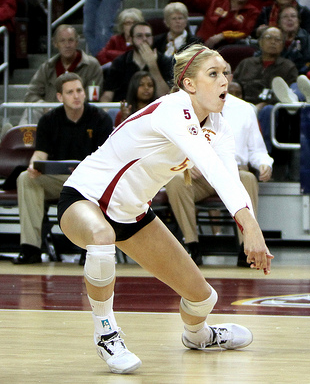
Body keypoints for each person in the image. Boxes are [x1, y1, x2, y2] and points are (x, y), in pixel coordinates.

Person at [57, 43, 273, 374]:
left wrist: (249, 227)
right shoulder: (173, 108)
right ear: (189, 83)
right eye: (212, 74)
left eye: (225, 73)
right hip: (85, 199)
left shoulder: (220, 125)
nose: (223, 81)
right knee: (101, 236)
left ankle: (198, 335)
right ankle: (106, 333)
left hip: (133, 215)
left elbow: (230, 176)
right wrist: (251, 228)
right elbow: (211, 169)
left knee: (204, 299)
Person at [165, 64, 273, 266]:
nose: (220, 78)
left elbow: (257, 149)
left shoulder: (244, 109)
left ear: (230, 77)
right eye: (213, 73)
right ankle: (192, 245)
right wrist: (186, 163)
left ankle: (246, 247)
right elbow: (172, 146)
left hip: (234, 174)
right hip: (198, 177)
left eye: (224, 73)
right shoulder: (184, 105)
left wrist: (265, 164)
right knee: (176, 180)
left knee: (248, 178)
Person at [13, 73, 113, 264]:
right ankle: (30, 248)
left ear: (85, 93)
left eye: (79, 91)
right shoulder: (48, 120)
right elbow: (40, 155)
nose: (76, 96)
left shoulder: (101, 119)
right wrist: (34, 165)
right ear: (60, 97)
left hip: (90, 181)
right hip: (59, 179)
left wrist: (86, 171)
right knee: (26, 178)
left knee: (100, 184)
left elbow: (107, 160)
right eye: (70, 92)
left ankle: (91, 247)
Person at [21, 24, 103, 124]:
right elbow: (31, 95)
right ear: (55, 44)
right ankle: (16, 136)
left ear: (77, 42)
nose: (67, 45)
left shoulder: (92, 65)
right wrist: (45, 107)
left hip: (80, 114)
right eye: (62, 41)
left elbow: (93, 98)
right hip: (51, 114)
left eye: (70, 40)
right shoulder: (47, 67)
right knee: (33, 111)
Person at [100, 22, 172, 103]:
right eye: (139, 36)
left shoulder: (164, 61)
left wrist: (152, 65)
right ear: (130, 40)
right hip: (125, 109)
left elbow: (166, 96)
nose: (144, 39)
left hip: (154, 110)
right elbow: (108, 94)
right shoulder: (120, 62)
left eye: (148, 36)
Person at [233, 26, 299, 109]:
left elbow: (290, 94)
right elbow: (234, 85)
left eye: (277, 39)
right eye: (268, 38)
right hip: (242, 105)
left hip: (271, 108)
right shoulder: (246, 63)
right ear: (260, 42)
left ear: (282, 45)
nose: (273, 42)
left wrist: (265, 104)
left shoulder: (288, 67)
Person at [153, 1, 202, 72]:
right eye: (174, 18)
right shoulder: (157, 41)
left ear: (186, 21)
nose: (178, 21)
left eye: (180, 18)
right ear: (166, 22)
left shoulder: (195, 42)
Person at [278, 5, 310, 74]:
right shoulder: (274, 38)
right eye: (285, 17)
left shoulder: (307, 39)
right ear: (279, 23)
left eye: (293, 16)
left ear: (299, 21)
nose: (289, 19)